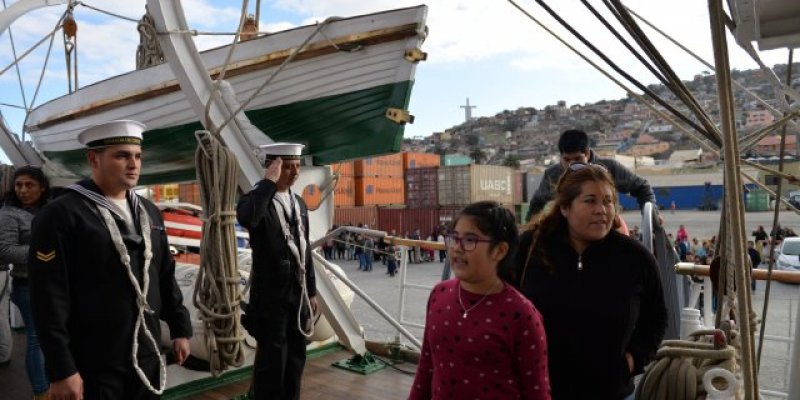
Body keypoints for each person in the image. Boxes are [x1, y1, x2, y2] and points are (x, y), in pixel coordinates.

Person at [28, 120, 192, 399]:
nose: (134, 164)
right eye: (121, 155)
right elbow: (47, 298)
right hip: (95, 359)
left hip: (146, 351)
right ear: (93, 159)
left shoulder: (149, 211)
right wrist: (61, 369)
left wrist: (180, 328)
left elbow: (163, 273)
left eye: (137, 156)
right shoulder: (62, 214)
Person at [514, 162, 667, 399]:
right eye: (590, 201)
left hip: (612, 393)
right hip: (539, 391)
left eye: (608, 201)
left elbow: (656, 319)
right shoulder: (531, 247)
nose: (602, 210)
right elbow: (506, 306)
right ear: (565, 207)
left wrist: (632, 361)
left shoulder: (636, 258)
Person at [409, 201, 550, 400]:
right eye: (454, 238)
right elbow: (426, 369)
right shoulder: (438, 295)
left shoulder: (522, 315)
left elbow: (537, 392)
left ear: (499, 251)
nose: (457, 248)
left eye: (470, 240)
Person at [236, 142, 319, 400]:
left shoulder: (299, 203)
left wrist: (312, 292)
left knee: (296, 360)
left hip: (297, 294)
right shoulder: (256, 198)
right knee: (272, 365)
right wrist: (268, 184)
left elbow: (305, 251)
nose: (295, 172)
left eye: (297, 166)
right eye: (288, 167)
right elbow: (249, 218)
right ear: (273, 167)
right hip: (271, 298)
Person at [525, 129, 656, 222]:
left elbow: (642, 187)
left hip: (605, 232)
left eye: (577, 159)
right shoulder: (552, 174)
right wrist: (531, 229)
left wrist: (651, 216)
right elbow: (537, 203)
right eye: (567, 160)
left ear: (587, 153)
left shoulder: (609, 168)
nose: (572, 165)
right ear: (561, 157)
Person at [0, 166, 51, 397]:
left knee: (54, 338)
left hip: (55, 284)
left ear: (42, 187)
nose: (22, 190)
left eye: (29, 185)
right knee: (36, 339)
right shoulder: (9, 213)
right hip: (28, 285)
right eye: (19, 185)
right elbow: (6, 250)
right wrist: (47, 252)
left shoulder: (50, 209)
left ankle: (54, 385)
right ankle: (41, 392)